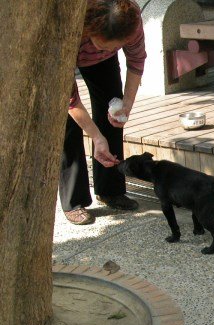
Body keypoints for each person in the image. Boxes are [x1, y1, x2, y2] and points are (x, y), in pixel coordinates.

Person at [61, 0, 146, 225]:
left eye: (117, 47)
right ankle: (74, 201)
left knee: (113, 114)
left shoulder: (130, 19)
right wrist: (96, 137)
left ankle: (110, 190)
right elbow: (70, 101)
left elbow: (136, 61)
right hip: (69, 52)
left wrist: (126, 104)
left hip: (101, 63)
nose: (111, 50)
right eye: (105, 46)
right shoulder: (70, 26)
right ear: (91, 30)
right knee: (67, 126)